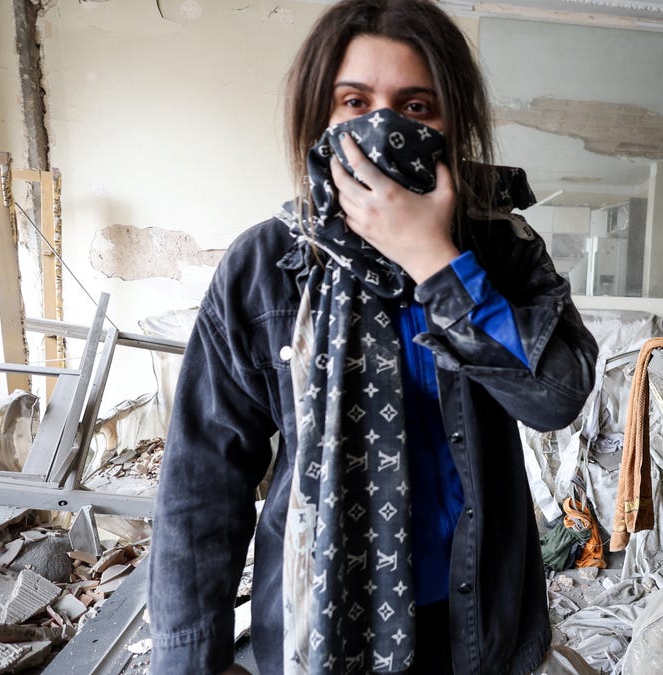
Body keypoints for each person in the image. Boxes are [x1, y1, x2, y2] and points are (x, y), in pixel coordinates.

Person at [147, 1, 598, 673]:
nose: (383, 126)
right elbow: (201, 486)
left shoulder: (501, 251)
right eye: (355, 102)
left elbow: (555, 395)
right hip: (319, 629)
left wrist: (435, 262)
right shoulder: (265, 268)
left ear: (452, 123)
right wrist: (190, 660)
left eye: (416, 107)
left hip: (475, 625)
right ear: (318, 116)